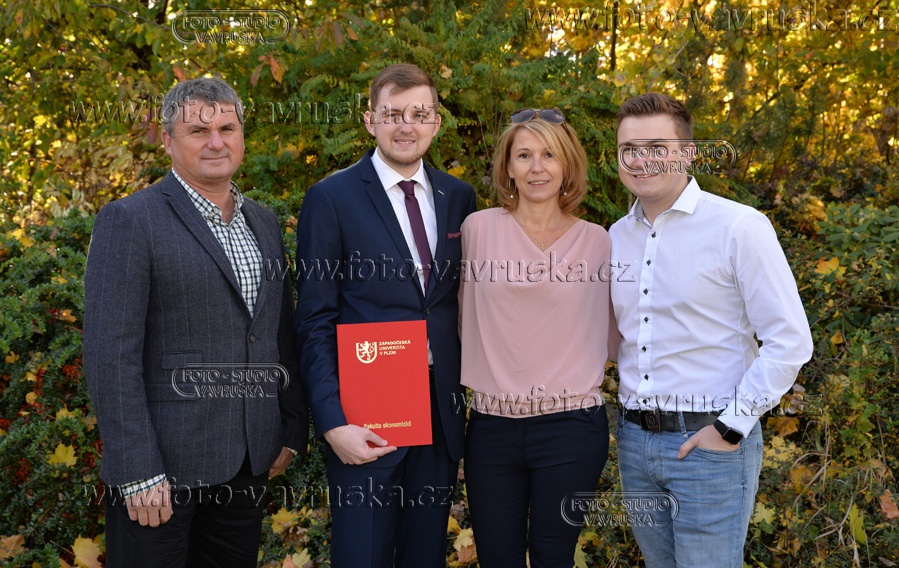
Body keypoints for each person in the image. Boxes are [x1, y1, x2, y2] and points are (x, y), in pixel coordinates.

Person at [83, 77, 308, 568]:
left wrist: (291, 427)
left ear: (242, 136)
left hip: (248, 462)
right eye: (198, 131)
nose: (216, 142)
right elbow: (110, 356)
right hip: (162, 472)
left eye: (227, 128)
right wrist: (137, 470)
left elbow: (277, 332)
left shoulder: (264, 223)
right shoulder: (130, 220)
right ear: (168, 140)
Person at [609, 92, 814, 567]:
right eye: (629, 149)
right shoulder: (615, 237)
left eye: (656, 147)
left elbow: (789, 340)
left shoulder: (738, 227)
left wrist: (731, 426)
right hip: (635, 443)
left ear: (688, 153)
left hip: (711, 444)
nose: (640, 160)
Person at [293, 63, 477, 568]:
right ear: (370, 120)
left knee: (425, 555)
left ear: (436, 122)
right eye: (392, 113)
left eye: (419, 114)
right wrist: (333, 423)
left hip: (439, 413)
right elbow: (314, 319)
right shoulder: (331, 198)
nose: (405, 125)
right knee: (363, 555)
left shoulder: (459, 197)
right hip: (365, 414)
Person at [458, 108, 613, 567]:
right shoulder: (477, 230)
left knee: (553, 557)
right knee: (497, 558)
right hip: (492, 426)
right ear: (508, 167)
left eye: (549, 155)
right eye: (524, 155)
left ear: (567, 165)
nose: (536, 167)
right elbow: (451, 316)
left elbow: (627, 329)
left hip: (572, 427)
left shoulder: (599, 242)